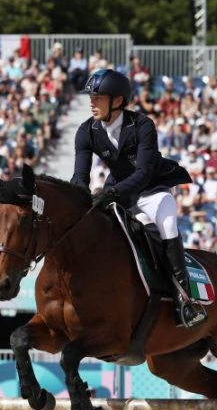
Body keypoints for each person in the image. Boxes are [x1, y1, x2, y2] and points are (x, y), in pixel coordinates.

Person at [70, 68, 204, 327]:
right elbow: (79, 177)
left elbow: (143, 174)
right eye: (91, 97)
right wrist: (80, 199)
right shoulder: (86, 131)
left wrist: (111, 193)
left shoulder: (142, 125)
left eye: (98, 97)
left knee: (166, 226)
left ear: (117, 101)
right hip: (121, 195)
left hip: (152, 191)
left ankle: (185, 300)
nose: (91, 102)